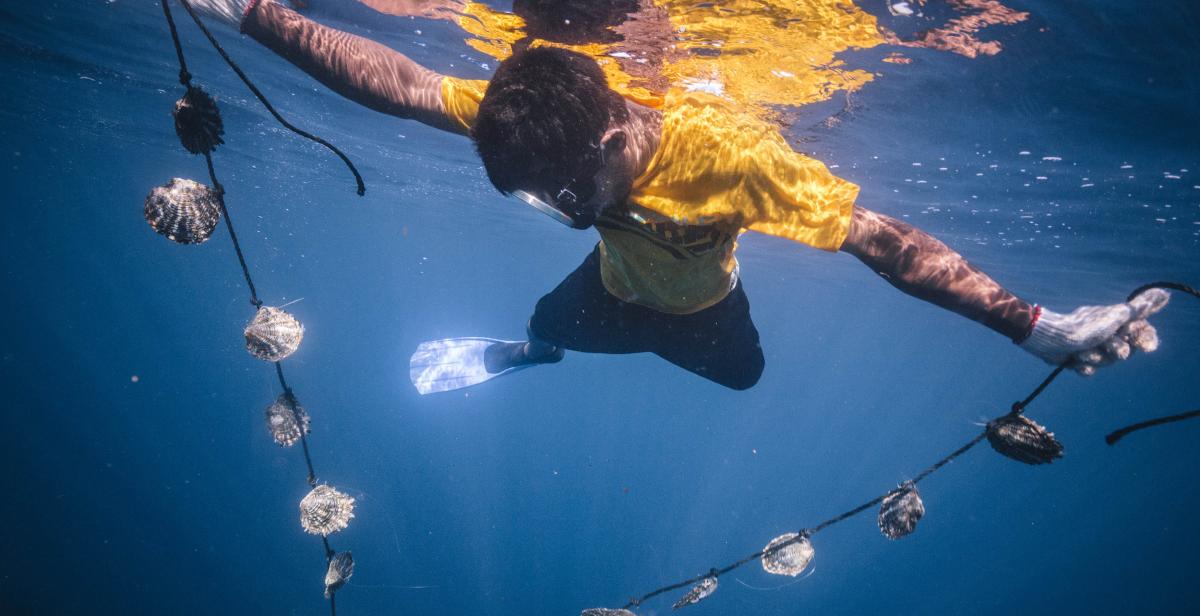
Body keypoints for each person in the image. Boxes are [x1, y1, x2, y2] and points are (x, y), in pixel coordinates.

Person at [191, 0, 1169, 393]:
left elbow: (883, 241)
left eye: (574, 190)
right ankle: (531, 349)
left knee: (744, 378)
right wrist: (249, 11)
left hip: (706, 316)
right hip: (611, 295)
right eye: (541, 202)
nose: (565, 210)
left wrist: (1031, 324)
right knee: (554, 317)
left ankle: (545, 343)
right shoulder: (540, 118)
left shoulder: (732, 159)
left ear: (621, 131)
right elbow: (392, 81)